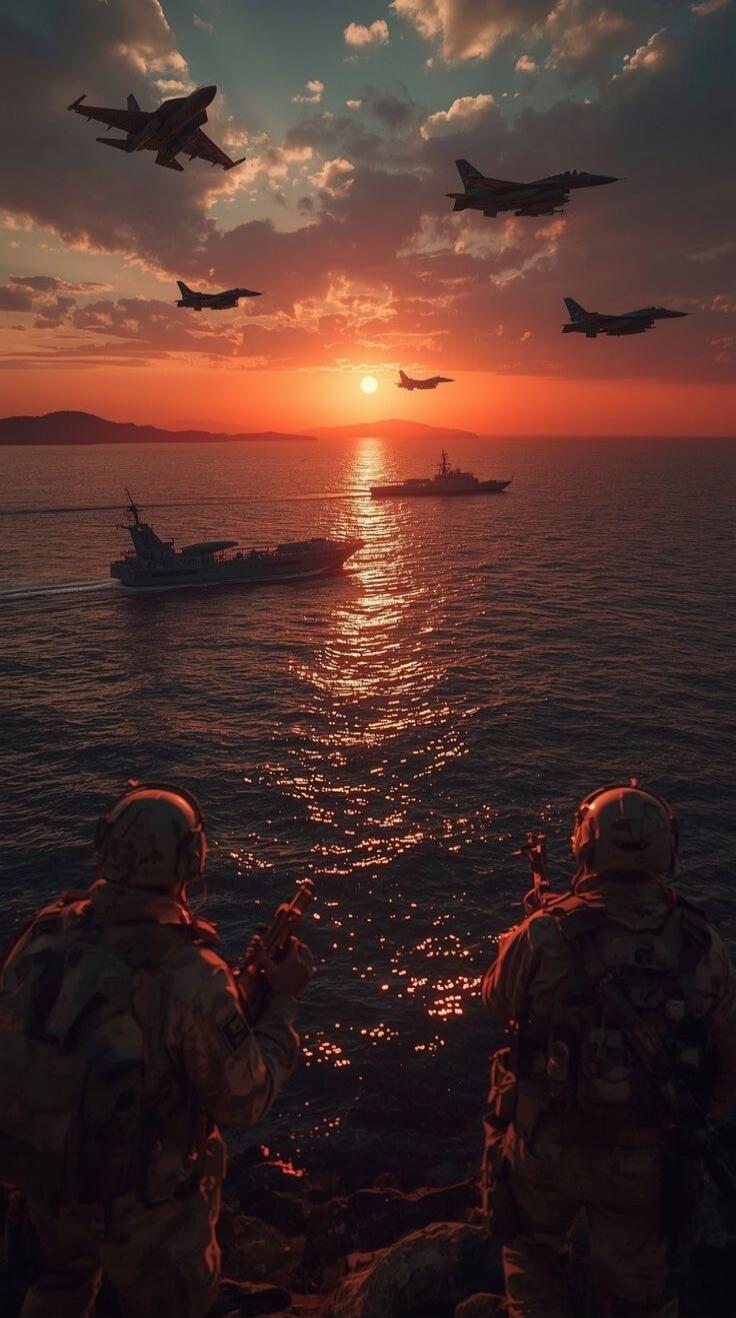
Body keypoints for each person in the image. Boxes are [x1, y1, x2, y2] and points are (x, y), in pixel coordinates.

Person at [0, 781, 314, 1318]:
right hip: (146, 1206)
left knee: (57, 1288)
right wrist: (281, 1002)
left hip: (48, 1177)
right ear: (191, 859)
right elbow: (245, 1100)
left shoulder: (43, 935)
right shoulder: (191, 973)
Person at [481, 781, 736, 1318]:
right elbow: (727, 1052)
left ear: (585, 845)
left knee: (531, 1261)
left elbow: (497, 997)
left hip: (548, 1146)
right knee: (638, 1297)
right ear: (669, 847)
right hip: (646, 1157)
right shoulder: (702, 943)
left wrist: (526, 930)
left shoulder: (547, 931)